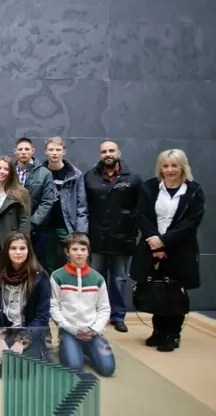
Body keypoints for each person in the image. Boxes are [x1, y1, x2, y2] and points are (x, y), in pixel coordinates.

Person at [131, 149, 205, 352]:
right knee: (156, 289)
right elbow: (141, 215)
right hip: (152, 246)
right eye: (165, 166)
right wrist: (154, 242)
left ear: (183, 167)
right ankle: (158, 331)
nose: (170, 170)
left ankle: (172, 334)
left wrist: (164, 241)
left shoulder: (194, 191)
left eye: (174, 166)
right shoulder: (150, 187)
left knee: (174, 293)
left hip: (179, 250)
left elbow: (191, 222)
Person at [84, 141, 143, 333]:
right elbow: (84, 206)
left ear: (118, 153)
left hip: (122, 237)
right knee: (96, 278)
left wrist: (133, 230)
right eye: (104, 151)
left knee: (119, 279)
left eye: (111, 151)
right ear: (99, 155)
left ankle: (118, 316)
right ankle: (96, 315)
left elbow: (140, 208)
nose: (108, 154)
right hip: (97, 237)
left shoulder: (133, 178)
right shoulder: (90, 177)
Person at [0, 231, 50, 377]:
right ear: (6, 251)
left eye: (22, 248)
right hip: (2, 330)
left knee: (22, 369)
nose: (18, 252)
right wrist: (0, 339)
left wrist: (21, 341)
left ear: (29, 250)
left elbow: (42, 318)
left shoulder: (40, 277)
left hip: (29, 331)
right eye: (13, 248)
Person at [50, 233, 115, 377]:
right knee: (75, 367)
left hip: (92, 332)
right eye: (74, 249)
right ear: (67, 252)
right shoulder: (57, 276)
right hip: (69, 331)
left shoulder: (97, 278)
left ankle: (85, 349)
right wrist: (71, 329)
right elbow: (54, 307)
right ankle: (69, 346)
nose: (79, 253)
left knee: (108, 369)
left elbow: (104, 308)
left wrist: (94, 329)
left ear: (88, 252)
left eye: (83, 249)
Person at [42, 137, 88, 271]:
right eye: (51, 149)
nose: (54, 153)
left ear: (64, 151)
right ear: (46, 151)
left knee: (73, 262)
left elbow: (82, 205)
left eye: (58, 149)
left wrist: (81, 233)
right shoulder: (40, 172)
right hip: (45, 227)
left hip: (67, 227)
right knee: (46, 264)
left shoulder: (75, 174)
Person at [13, 137, 55, 267]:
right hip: (13, 225)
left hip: (37, 228)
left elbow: (47, 201)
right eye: (20, 149)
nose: (23, 152)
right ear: (15, 151)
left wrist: (32, 222)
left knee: (37, 265)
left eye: (27, 149)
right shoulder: (9, 171)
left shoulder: (45, 173)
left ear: (33, 150)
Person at [0, 155, 32, 265]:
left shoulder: (21, 192)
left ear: (11, 172)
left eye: (6, 169)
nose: (2, 171)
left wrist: (21, 243)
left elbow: (25, 220)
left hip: (10, 240)